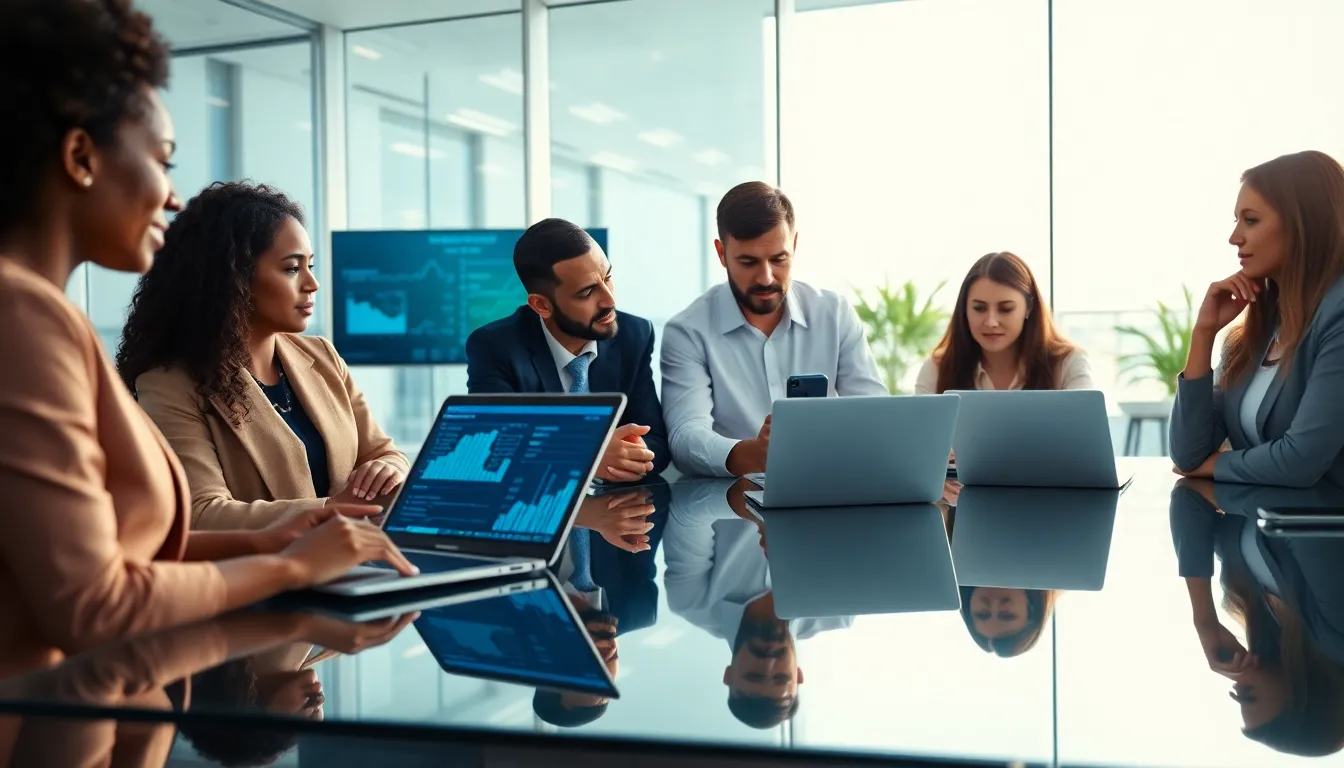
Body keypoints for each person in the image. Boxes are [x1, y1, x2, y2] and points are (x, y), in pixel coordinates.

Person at [0, 0, 416, 716]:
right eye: (163, 161)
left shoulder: (45, 316)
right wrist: (285, 564)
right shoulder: (24, 317)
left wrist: (283, 536)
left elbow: (114, 560)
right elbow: (93, 604)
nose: (169, 197)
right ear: (80, 157)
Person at [117, 181, 410, 530]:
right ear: (233, 279)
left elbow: (384, 452)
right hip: (268, 576)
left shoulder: (322, 356)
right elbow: (201, 513)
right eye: (291, 268)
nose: (311, 284)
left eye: (310, 266)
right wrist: (333, 509)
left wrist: (389, 468)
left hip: (359, 565)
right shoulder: (169, 385)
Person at [660, 182, 886, 477]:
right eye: (748, 262)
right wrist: (749, 454)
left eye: (779, 259)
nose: (766, 277)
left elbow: (875, 415)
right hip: (730, 505)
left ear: (794, 245)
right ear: (721, 252)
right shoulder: (688, 331)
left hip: (829, 489)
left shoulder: (834, 314)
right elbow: (685, 436)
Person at [1171, 150, 1344, 488]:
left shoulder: (1337, 316)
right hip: (1263, 530)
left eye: (1250, 220)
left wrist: (1215, 464)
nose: (1235, 237)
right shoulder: (1262, 328)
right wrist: (1204, 333)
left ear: (1303, 225)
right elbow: (1188, 455)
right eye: (1236, 221)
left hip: (1322, 535)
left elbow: (1300, 461)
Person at [466, 218, 669, 481]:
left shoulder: (634, 335)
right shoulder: (495, 346)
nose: (609, 300)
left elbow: (656, 441)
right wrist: (586, 456)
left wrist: (634, 453)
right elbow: (492, 448)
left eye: (608, 277)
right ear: (541, 305)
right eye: (587, 293)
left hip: (616, 507)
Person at [915, 252, 1092, 394]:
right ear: (964, 309)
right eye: (979, 308)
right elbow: (919, 436)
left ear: (1029, 308)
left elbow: (1087, 435)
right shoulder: (937, 370)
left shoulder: (1068, 364)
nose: (991, 322)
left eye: (1006, 309)